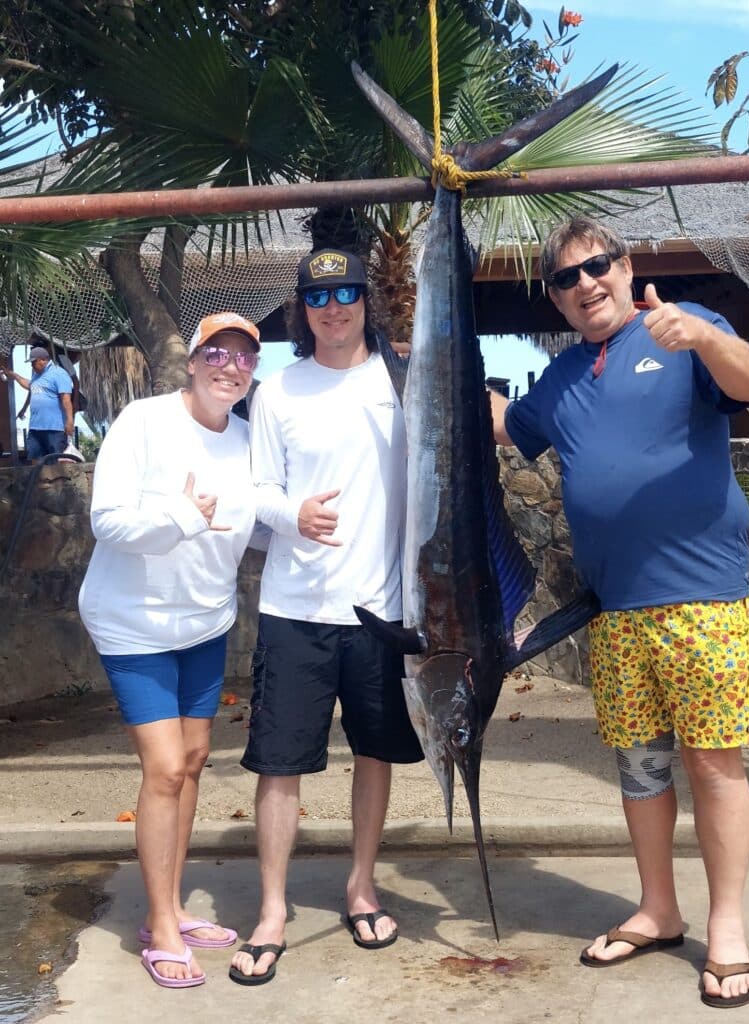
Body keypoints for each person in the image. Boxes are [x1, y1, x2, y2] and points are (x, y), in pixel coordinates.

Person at [490, 216, 749, 1010]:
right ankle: (658, 907)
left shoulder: (682, 329)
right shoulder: (562, 378)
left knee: (713, 764)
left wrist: (706, 341)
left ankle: (726, 928)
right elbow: (509, 425)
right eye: (564, 279)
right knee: (639, 768)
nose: (584, 285)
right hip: (613, 611)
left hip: (701, 602)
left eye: (597, 267)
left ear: (625, 265)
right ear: (554, 297)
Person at [229, 248, 423, 986]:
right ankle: (272, 910)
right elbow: (258, 490)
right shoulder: (277, 391)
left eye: (346, 292)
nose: (332, 307)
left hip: (383, 611)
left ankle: (360, 886)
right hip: (295, 608)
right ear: (301, 310)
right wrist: (292, 513)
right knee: (280, 765)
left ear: (366, 299)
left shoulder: (404, 377)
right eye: (318, 296)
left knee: (375, 754)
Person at [78, 312, 263, 989]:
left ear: (252, 372)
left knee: (189, 761)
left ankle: (175, 906)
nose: (228, 366)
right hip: (133, 623)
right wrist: (182, 518)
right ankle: (157, 925)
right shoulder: (144, 423)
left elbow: (261, 520)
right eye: (216, 351)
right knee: (162, 769)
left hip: (205, 624)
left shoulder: (248, 440)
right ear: (193, 360)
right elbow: (109, 521)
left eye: (243, 357)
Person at [0, 336, 74, 462]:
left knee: (55, 462)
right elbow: (30, 386)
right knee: (35, 461)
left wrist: (69, 421)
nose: (32, 365)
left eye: (34, 362)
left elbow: (66, 400)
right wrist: (14, 376)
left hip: (54, 429)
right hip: (35, 428)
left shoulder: (59, 374)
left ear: (44, 360)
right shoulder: (37, 375)